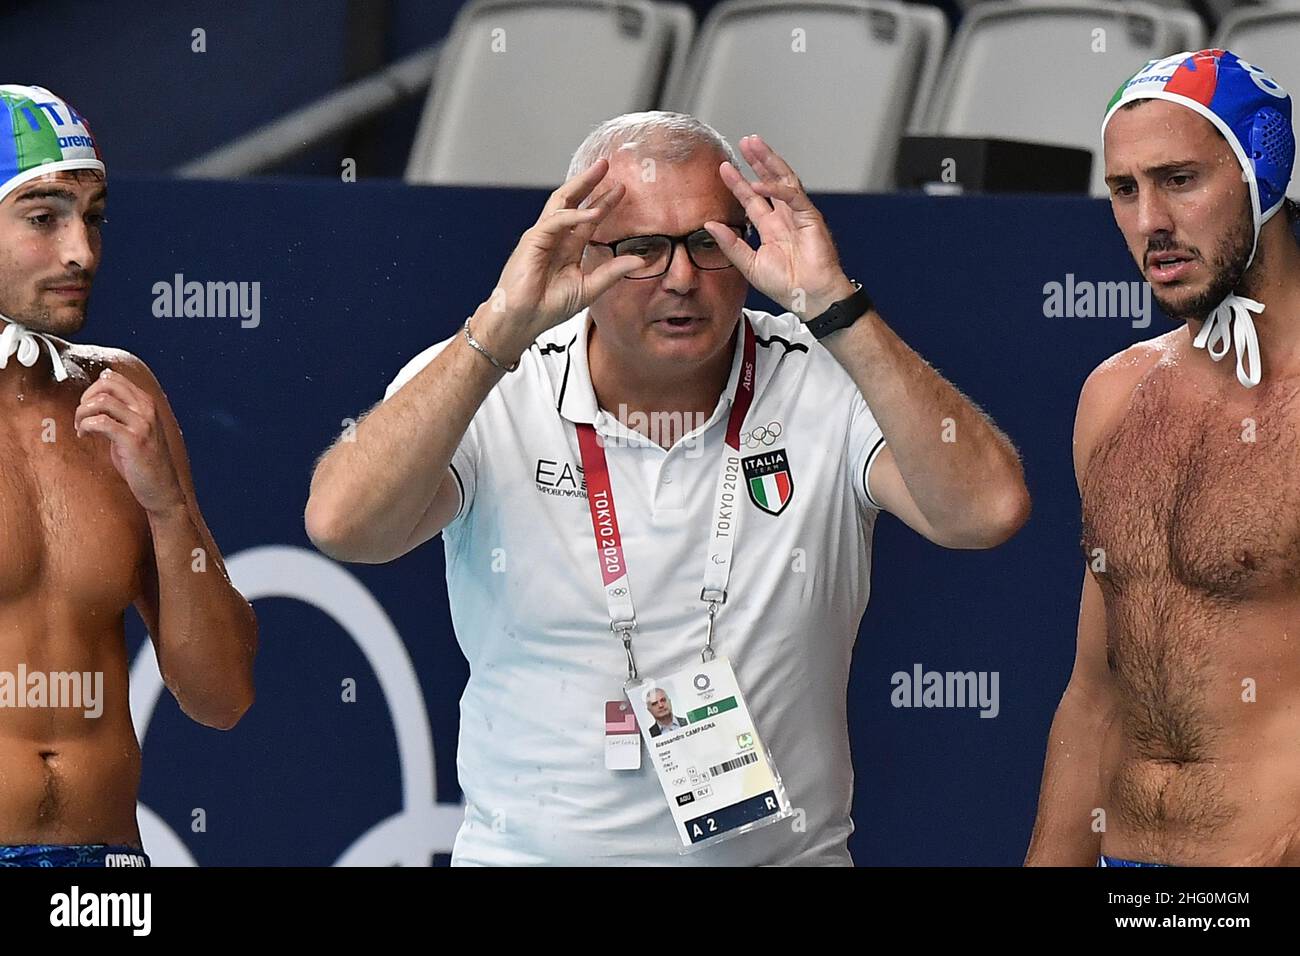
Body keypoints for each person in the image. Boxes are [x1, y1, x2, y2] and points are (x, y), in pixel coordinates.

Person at [307, 111, 1029, 865]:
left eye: (708, 243)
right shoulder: (490, 377)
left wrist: (838, 310)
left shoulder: (830, 376)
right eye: (643, 248)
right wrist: (498, 329)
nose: (681, 278)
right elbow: (344, 525)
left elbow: (987, 511)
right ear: (579, 252)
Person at [1026, 50, 1300, 866]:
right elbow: (1095, 694)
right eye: (1124, 189)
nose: (1149, 221)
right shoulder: (1114, 396)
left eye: (1180, 179)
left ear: (1264, 173)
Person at [0, 85, 257, 868]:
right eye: (44, 218)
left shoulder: (122, 394)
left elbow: (222, 697)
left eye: (95, 216)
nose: (82, 250)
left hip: (105, 872)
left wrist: (167, 503)